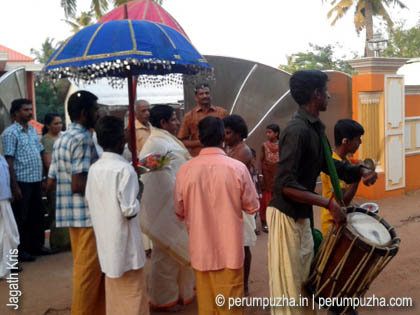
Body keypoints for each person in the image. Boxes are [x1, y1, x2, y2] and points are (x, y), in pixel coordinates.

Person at [267, 70, 377, 315]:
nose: (329, 95)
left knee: (303, 280)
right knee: (292, 287)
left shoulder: (315, 127)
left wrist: (361, 171)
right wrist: (328, 203)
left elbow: (332, 166)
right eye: (326, 91)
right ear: (316, 94)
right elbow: (284, 184)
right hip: (286, 216)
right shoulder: (297, 130)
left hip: (300, 215)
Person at [174, 116, 259, 315]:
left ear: (200, 139)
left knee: (206, 306)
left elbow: (179, 210)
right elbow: (252, 206)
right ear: (222, 137)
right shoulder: (237, 168)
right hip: (230, 251)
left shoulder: (185, 170)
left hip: (201, 252)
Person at [47, 91, 105, 315]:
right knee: (88, 272)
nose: (97, 114)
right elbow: (78, 184)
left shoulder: (63, 137)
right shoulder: (82, 138)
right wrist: (105, 179)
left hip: (72, 213)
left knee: (89, 269)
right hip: (86, 214)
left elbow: (52, 179)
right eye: (95, 110)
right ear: (84, 113)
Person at [86, 116, 149, 315]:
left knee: (114, 291)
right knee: (133, 292)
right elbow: (129, 210)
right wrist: (139, 189)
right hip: (126, 244)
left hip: (106, 241)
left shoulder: (94, 169)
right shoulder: (124, 170)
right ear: (122, 141)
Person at [139, 105, 194, 311]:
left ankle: (182, 294)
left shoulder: (166, 139)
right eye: (174, 119)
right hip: (165, 207)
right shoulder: (155, 143)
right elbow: (153, 180)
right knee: (164, 256)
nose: (178, 123)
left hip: (178, 204)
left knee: (179, 251)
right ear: (163, 123)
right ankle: (163, 299)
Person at [2, 99, 49, 262]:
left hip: (36, 179)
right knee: (21, 217)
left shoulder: (32, 131)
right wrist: (14, 186)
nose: (30, 112)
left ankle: (37, 246)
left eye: (30, 109)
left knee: (37, 214)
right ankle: (21, 251)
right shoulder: (10, 133)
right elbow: (9, 160)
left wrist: (44, 178)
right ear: (15, 113)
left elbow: (40, 153)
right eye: (25, 110)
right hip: (21, 181)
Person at [223, 114, 257, 297]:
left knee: (244, 245)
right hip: (233, 204)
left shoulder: (243, 151)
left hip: (241, 205)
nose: (224, 136)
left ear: (238, 134)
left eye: (228, 133)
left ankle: (244, 285)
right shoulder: (230, 149)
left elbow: (231, 179)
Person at [321, 119, 364, 236]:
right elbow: (343, 201)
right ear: (345, 141)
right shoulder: (332, 165)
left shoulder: (347, 161)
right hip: (333, 226)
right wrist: (357, 176)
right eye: (357, 139)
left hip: (342, 222)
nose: (360, 142)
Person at [41, 113, 70, 251]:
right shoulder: (46, 140)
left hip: (67, 179)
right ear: (48, 125)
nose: (59, 126)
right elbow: (48, 163)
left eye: (60, 123)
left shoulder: (64, 137)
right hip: (55, 181)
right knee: (55, 212)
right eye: (55, 123)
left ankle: (67, 242)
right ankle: (57, 243)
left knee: (67, 211)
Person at [178, 83, 228, 157]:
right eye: (201, 94)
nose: (205, 96)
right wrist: (201, 142)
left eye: (207, 93)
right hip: (198, 156)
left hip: (219, 155)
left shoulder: (222, 113)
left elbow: (229, 134)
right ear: (196, 97)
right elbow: (181, 141)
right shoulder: (189, 116)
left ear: (211, 96)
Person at [0, 153, 20, 277]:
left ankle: (9, 265)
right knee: (6, 233)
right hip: (2, 201)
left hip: (5, 199)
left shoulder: (1, 158)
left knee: (10, 233)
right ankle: (5, 268)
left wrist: (11, 191)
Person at [260, 124, 280, 233]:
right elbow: (261, 160)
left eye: (270, 132)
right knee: (267, 200)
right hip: (267, 176)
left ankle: (277, 221)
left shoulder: (282, 145)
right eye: (266, 132)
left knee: (279, 199)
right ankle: (266, 222)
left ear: (276, 133)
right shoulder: (264, 145)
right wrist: (260, 175)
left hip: (278, 175)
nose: (267, 134)